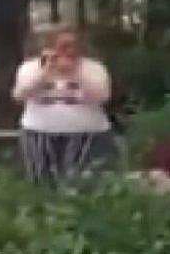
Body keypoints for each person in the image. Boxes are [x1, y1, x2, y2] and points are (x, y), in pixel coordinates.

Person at [12, 29, 116, 183]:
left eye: (73, 45)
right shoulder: (30, 67)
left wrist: (75, 73)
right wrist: (44, 73)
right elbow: (20, 94)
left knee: (86, 182)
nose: (69, 50)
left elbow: (103, 95)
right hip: (39, 133)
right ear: (50, 46)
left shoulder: (94, 68)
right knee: (42, 182)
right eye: (63, 46)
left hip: (88, 135)